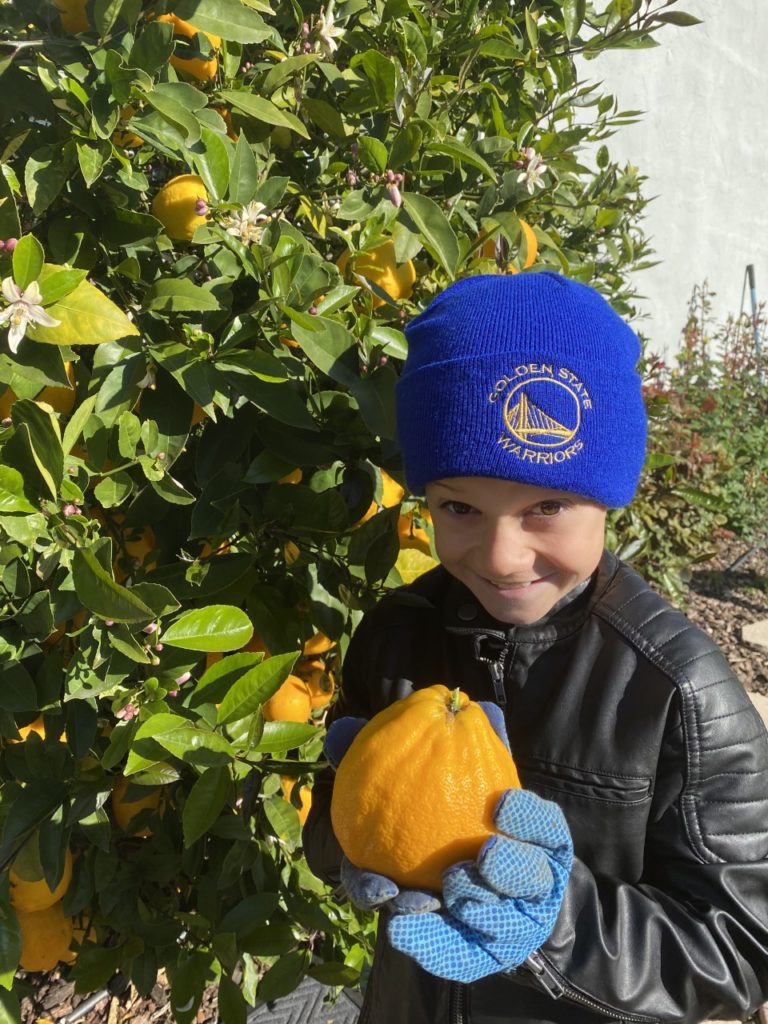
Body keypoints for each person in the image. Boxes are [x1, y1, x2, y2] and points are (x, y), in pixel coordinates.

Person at [303, 272, 768, 1024]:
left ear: (610, 496)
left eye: (546, 506)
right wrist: (344, 836)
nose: (502, 556)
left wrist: (555, 924)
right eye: (459, 506)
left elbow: (740, 946)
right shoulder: (396, 635)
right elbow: (333, 825)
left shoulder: (676, 690)